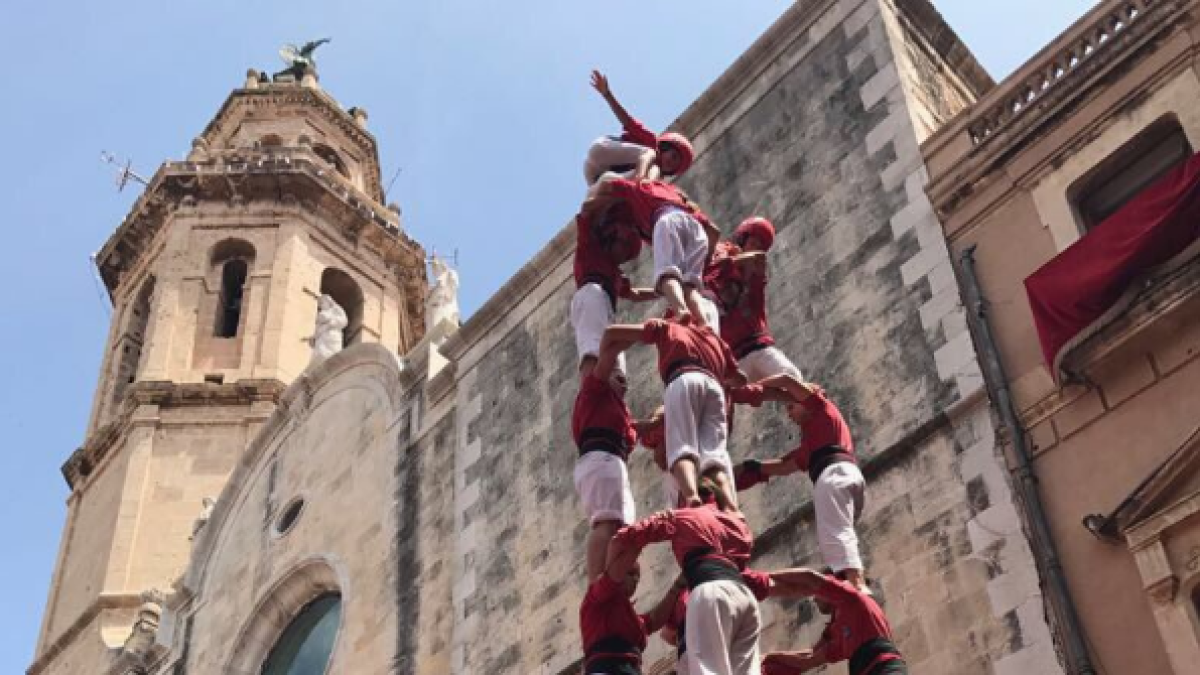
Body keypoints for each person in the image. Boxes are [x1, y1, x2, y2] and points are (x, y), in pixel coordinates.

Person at [607, 479, 761, 675]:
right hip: (744, 597)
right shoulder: (738, 526)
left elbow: (626, 536)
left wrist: (610, 571)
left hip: (709, 591)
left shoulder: (685, 515)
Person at [734, 375, 868, 591]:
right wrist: (753, 467)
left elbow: (786, 380)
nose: (789, 414)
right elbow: (785, 466)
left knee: (835, 535)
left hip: (833, 475)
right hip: (849, 475)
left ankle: (856, 585)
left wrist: (749, 389)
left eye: (791, 406)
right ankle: (848, 581)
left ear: (804, 400)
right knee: (841, 534)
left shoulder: (819, 407)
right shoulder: (812, 441)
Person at [599, 318, 746, 510]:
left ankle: (692, 497)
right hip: (713, 387)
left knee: (681, 450)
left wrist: (602, 369)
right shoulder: (713, 338)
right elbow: (740, 379)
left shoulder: (667, 327)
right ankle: (730, 507)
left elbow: (611, 332)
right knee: (714, 458)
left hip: (683, 377)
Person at [585, 176, 720, 327]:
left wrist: (608, 201)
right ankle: (703, 323)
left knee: (667, 276)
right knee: (690, 287)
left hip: (667, 219)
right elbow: (714, 232)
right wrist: (706, 260)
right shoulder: (683, 203)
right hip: (696, 229)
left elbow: (605, 184)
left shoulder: (638, 190)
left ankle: (681, 311)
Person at [573, 327, 644, 581]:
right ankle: (597, 583)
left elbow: (636, 431)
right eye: (617, 375)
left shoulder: (618, 411)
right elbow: (608, 348)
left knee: (618, 526)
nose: (623, 381)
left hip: (610, 462)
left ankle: (612, 582)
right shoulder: (593, 389)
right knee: (606, 521)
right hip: (600, 459)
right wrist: (642, 335)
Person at [705, 217, 802, 382]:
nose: (755, 249)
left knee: (793, 376)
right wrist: (742, 260)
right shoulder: (722, 252)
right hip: (733, 358)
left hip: (758, 346)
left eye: (759, 247)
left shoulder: (753, 270)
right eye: (753, 243)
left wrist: (750, 267)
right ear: (742, 239)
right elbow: (715, 269)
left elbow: (757, 277)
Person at [759, 568, 907, 675]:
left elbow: (809, 578)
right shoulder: (836, 631)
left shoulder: (852, 599)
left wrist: (759, 580)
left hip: (885, 668)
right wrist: (768, 658)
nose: (814, 599)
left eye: (816, 594)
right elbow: (809, 659)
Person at [572, 199, 657, 379]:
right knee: (593, 351)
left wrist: (662, 291)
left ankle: (608, 394)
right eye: (624, 246)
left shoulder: (615, 273)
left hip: (605, 304)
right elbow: (586, 209)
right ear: (612, 237)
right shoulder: (590, 246)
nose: (624, 255)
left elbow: (633, 293)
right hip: (591, 295)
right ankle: (590, 390)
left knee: (616, 373)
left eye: (628, 254)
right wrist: (615, 192)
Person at [584, 70, 695, 187]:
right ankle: (641, 183)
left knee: (654, 174)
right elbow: (626, 120)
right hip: (601, 151)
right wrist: (607, 94)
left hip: (596, 178)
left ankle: (631, 187)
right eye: (673, 157)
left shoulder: (655, 173)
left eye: (675, 165)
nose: (671, 163)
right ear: (665, 148)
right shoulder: (651, 141)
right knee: (650, 154)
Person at [579, 561, 686, 675]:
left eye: (638, 577)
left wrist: (677, 587)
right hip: (605, 668)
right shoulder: (598, 597)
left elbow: (652, 621)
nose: (635, 580)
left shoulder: (632, 619)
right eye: (630, 573)